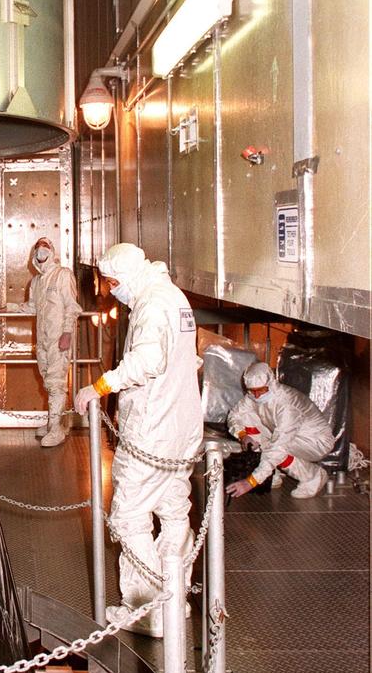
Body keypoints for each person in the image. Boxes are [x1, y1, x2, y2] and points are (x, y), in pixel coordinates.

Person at [74, 243, 201, 637]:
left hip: (152, 431)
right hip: (181, 430)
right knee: (174, 513)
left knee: (129, 518)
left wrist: (99, 386)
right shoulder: (174, 297)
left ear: (125, 276)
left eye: (112, 282)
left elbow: (148, 361)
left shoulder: (150, 304)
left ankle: (148, 610)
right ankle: (173, 600)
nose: (112, 291)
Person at [8, 237, 81, 448]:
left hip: (59, 338)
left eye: (46, 246)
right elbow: (33, 307)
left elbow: (72, 307)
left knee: (56, 382)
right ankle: (53, 423)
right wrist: (11, 308)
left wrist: (67, 333)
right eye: (38, 247)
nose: (41, 250)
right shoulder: (37, 282)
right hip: (43, 339)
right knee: (47, 379)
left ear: (52, 251)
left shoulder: (63, 275)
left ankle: (57, 429)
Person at [225, 361, 335, 499]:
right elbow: (234, 416)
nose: (257, 395)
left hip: (316, 442)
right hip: (286, 436)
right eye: (253, 391)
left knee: (275, 451)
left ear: (271, 383)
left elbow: (278, 446)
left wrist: (251, 482)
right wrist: (242, 435)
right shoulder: (253, 397)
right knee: (247, 415)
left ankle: (313, 476)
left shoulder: (286, 404)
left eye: (261, 390)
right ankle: (270, 474)